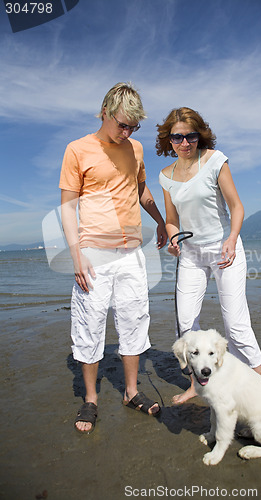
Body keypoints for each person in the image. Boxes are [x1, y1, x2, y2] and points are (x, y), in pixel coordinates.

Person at [59, 82, 167, 433]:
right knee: (89, 325)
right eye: (122, 124)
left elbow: (140, 189)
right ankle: (90, 399)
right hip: (93, 253)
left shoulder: (134, 148)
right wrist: (76, 254)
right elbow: (67, 206)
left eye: (133, 127)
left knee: (135, 320)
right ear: (104, 112)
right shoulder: (78, 149)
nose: (127, 132)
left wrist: (162, 222)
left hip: (132, 253)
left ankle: (131, 392)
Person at [156, 107, 261, 405]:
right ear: (169, 140)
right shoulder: (166, 176)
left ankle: (258, 390)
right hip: (189, 255)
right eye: (177, 137)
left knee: (236, 325)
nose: (185, 142)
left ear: (199, 135)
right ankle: (196, 385)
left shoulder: (215, 160)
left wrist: (231, 238)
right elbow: (171, 218)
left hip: (223, 249)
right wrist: (174, 239)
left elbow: (237, 207)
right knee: (186, 325)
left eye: (190, 135)